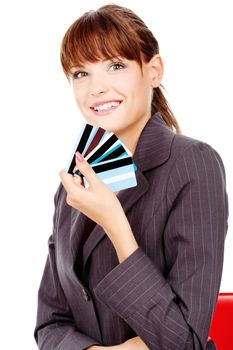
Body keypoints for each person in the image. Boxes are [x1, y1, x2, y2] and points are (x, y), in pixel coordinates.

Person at [34, 4, 228, 350]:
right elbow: (49, 323)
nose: (96, 88)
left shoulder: (192, 163)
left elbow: (184, 342)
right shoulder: (75, 184)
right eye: (81, 73)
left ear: (154, 71)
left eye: (116, 66)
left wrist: (115, 223)